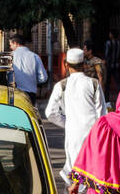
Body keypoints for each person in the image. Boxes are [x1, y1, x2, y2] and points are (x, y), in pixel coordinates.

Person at [44, 48, 106, 184]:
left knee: (74, 171)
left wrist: (68, 123)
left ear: (66, 64)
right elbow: (102, 113)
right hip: (92, 135)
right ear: (84, 64)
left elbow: (50, 113)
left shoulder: (61, 86)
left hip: (73, 135)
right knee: (91, 171)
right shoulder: (94, 84)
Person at [8, 31, 48, 101]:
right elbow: (43, 78)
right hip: (30, 95)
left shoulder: (9, 56)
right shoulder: (35, 56)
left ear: (15, 43)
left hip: (13, 93)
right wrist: (32, 80)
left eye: (10, 45)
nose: (10, 47)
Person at [103, 29, 120, 102]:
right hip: (117, 66)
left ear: (111, 35)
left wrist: (105, 62)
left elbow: (106, 54)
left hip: (109, 66)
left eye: (110, 34)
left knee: (107, 84)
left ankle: (106, 99)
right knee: (118, 84)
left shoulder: (108, 43)